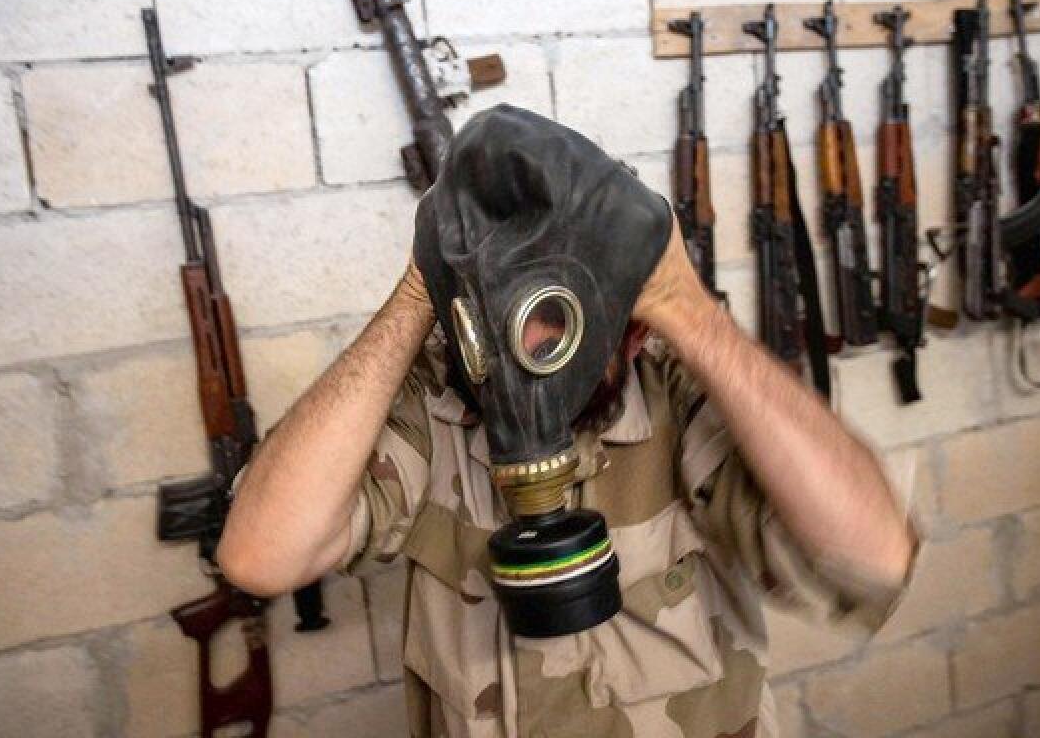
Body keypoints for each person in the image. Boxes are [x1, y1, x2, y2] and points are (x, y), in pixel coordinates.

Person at [219, 106, 917, 737]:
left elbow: (874, 554)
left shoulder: (676, 397)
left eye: (558, 331)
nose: (528, 367)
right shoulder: (435, 403)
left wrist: (691, 311)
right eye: (506, 322)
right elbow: (260, 555)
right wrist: (416, 292)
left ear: (633, 330)